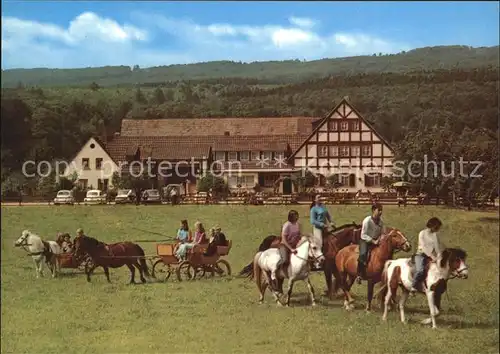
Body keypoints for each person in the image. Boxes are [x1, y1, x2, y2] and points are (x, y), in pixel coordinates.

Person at [410, 217, 443, 293]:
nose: (438, 229)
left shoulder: (434, 235)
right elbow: (423, 247)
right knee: (420, 270)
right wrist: (432, 256)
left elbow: (437, 247)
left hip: (430, 256)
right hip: (420, 255)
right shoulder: (422, 233)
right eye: (437, 227)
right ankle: (413, 286)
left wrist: (439, 256)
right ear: (433, 225)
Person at [356, 203, 385, 284]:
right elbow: (363, 234)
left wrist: (380, 239)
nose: (380, 212)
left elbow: (383, 233)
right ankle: (359, 274)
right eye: (378, 210)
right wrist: (373, 241)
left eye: (381, 210)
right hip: (365, 240)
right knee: (363, 254)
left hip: (376, 241)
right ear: (373, 210)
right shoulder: (367, 220)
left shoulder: (381, 222)